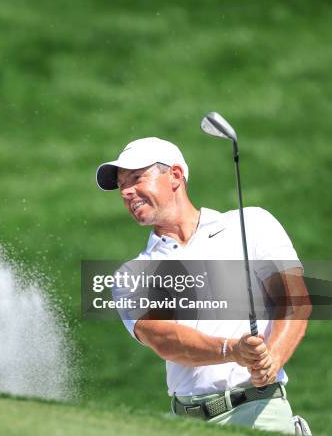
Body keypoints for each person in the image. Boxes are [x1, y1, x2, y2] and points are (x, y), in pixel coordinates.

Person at [95, 137, 311, 434]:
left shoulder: (252, 224)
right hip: (184, 422)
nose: (127, 192)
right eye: (122, 186)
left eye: (136, 178)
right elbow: (163, 338)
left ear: (174, 176)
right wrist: (231, 350)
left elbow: (294, 300)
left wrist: (272, 358)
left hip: (258, 410)